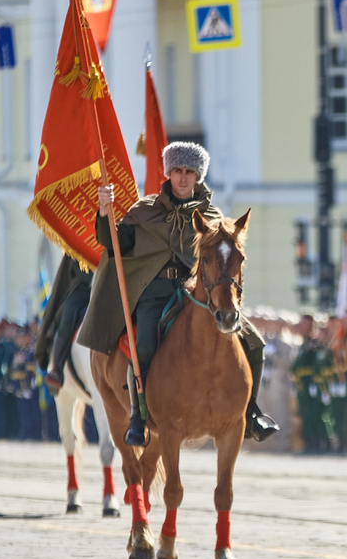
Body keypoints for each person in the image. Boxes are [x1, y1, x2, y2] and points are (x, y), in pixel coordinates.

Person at [77, 141, 278, 446]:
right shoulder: (144, 211)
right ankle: (139, 417)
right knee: (142, 345)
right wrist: (105, 210)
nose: (183, 178)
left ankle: (250, 413)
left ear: (198, 176)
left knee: (254, 342)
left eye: (190, 172)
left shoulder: (212, 215)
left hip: (200, 293)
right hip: (154, 292)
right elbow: (111, 242)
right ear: (169, 173)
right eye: (177, 171)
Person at [34, 252, 93, 391]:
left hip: (116, 284)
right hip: (84, 288)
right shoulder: (82, 231)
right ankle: (57, 368)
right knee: (68, 314)